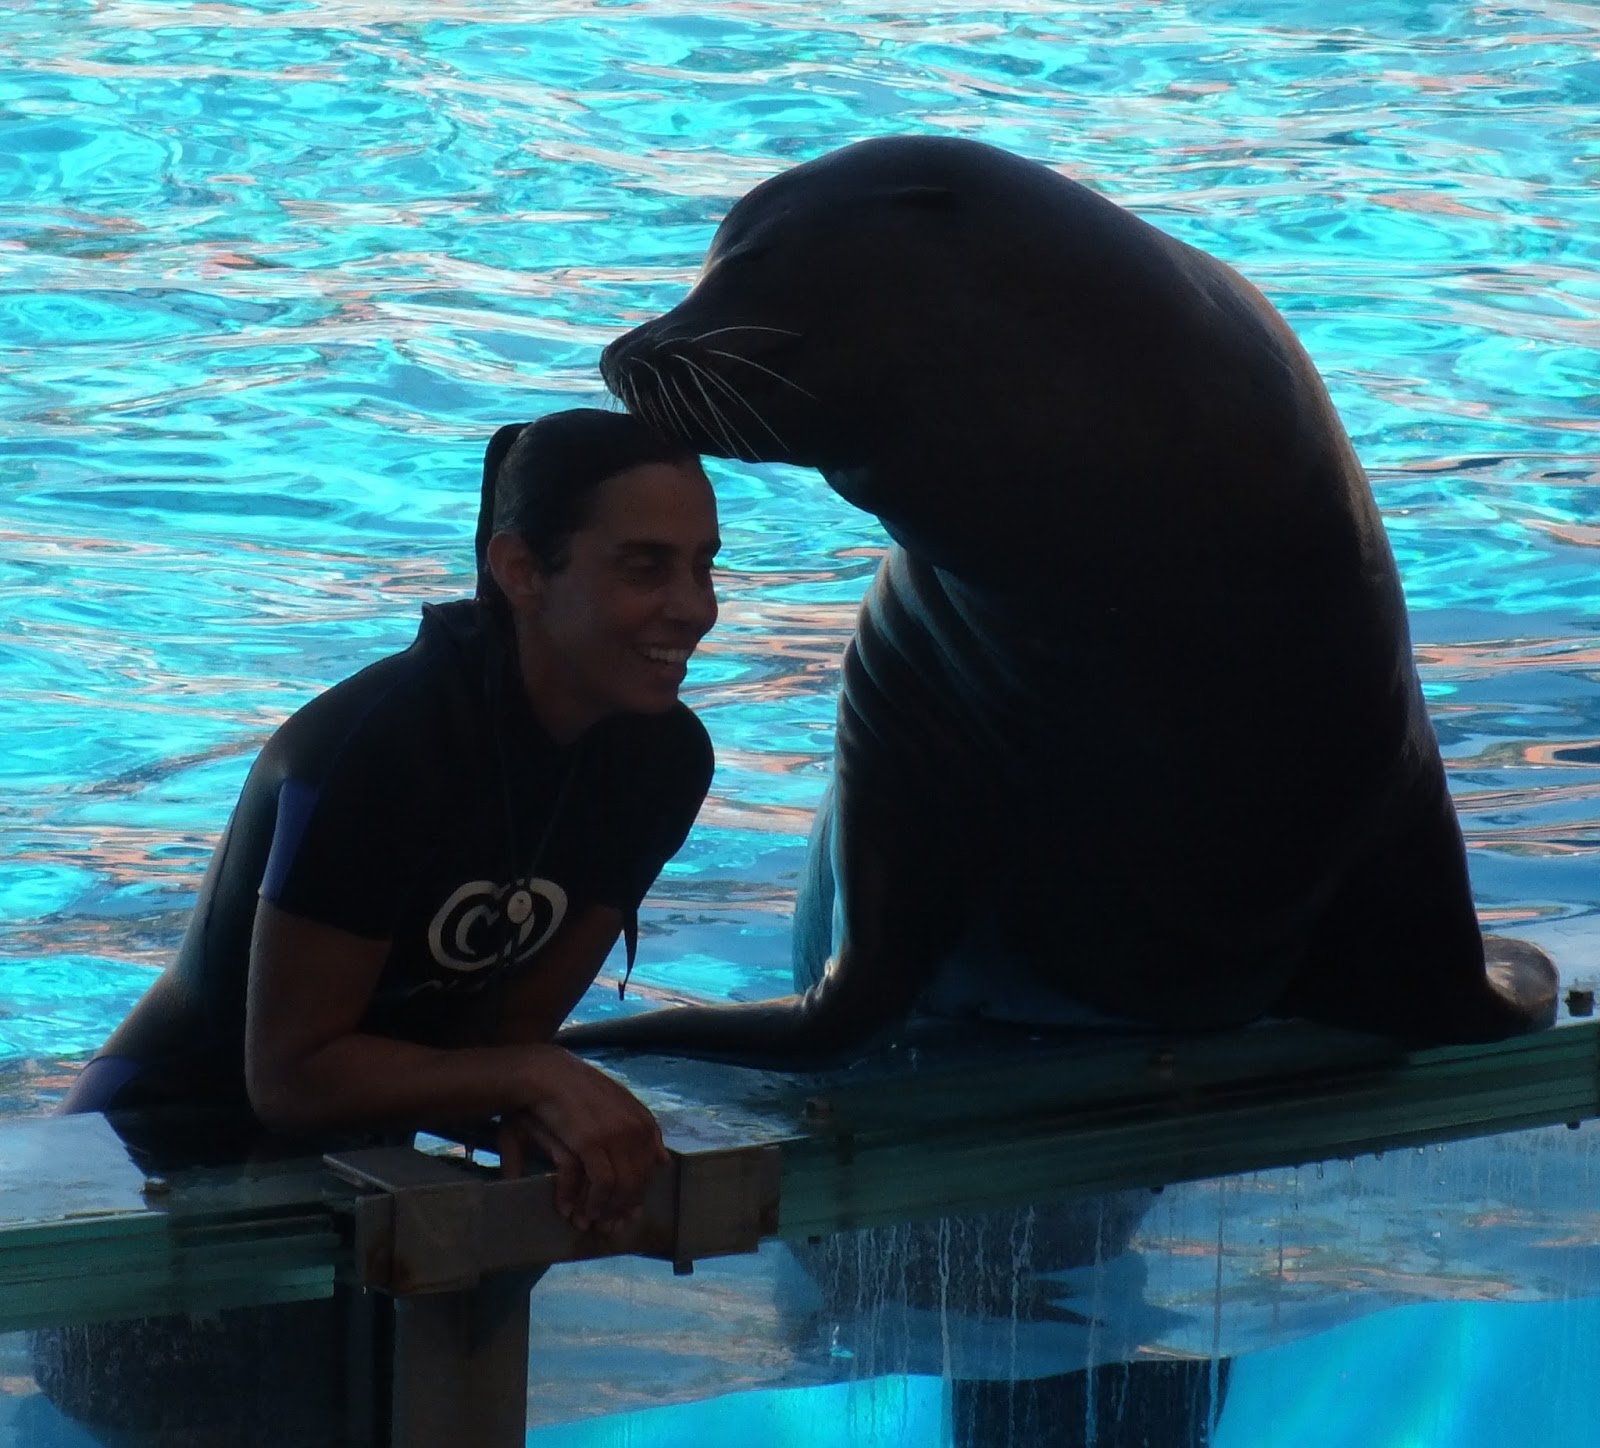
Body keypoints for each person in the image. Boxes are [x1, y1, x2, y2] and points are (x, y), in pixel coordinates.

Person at [33, 409, 720, 1445]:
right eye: (645, 567)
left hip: (354, 1185)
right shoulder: (384, 745)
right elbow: (292, 1075)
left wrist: (546, 1106)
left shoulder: (661, 762)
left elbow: (500, 1042)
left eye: (706, 566)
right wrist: (537, 1083)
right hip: (157, 1182)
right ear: (521, 570)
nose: (694, 607)